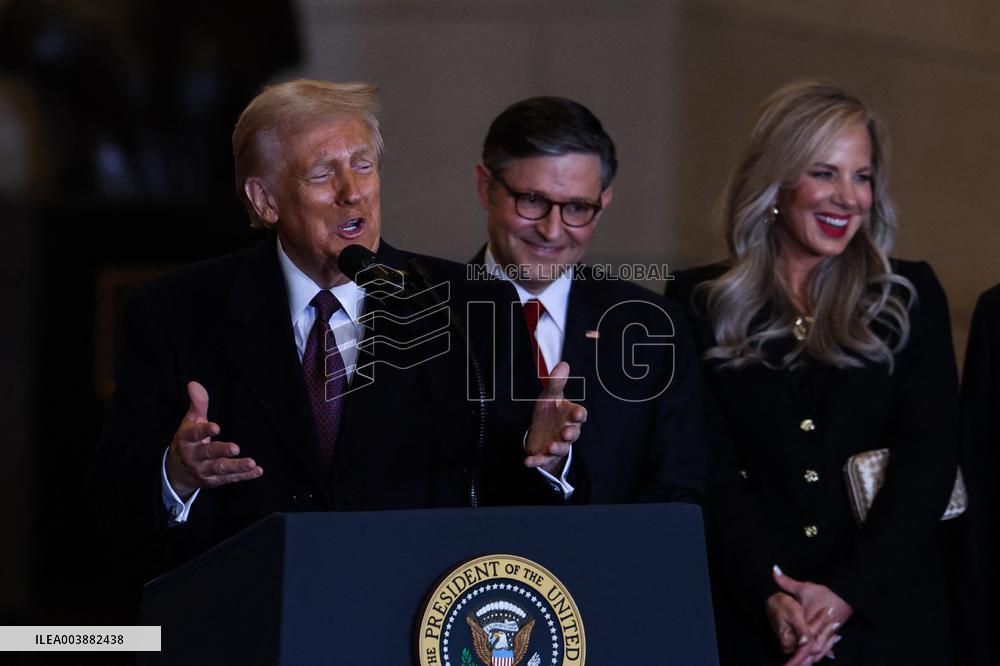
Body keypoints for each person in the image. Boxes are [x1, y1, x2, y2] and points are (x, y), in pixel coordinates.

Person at [87, 79, 586, 571]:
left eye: (363, 166)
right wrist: (176, 473)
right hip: (247, 617)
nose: (353, 193)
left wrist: (540, 456)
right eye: (323, 174)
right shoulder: (173, 310)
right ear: (265, 201)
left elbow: (516, 512)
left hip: (410, 615)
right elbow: (112, 495)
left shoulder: (472, 306)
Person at [666, 80, 959, 665]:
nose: (849, 197)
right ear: (774, 184)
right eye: (825, 173)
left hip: (888, 620)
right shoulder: (697, 301)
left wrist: (845, 595)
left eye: (863, 175)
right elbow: (709, 474)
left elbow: (929, 464)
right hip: (754, 625)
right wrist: (768, 594)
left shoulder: (909, 295)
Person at [470, 96, 704, 505]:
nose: (551, 229)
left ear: (603, 205)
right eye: (532, 201)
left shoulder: (651, 327)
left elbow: (677, 497)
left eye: (577, 207)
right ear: (486, 187)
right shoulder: (428, 316)